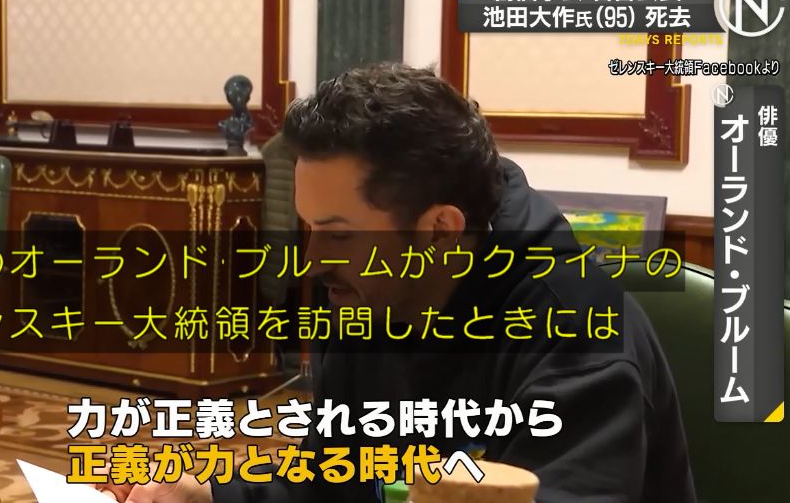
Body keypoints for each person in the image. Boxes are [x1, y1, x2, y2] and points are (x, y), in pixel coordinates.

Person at [98, 63, 697, 502]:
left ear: (440, 230)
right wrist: (208, 496)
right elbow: (331, 484)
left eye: (338, 234)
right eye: (309, 229)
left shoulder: (577, 333)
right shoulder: (364, 298)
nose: (312, 262)